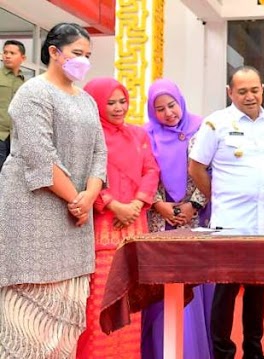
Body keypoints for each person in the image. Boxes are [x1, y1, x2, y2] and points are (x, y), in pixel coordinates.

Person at [0, 23, 106, 357]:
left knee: (65, 322)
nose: (84, 61)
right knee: (27, 328)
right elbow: (39, 156)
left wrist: (89, 195)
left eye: (88, 55)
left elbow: (99, 153)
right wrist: (77, 199)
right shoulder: (33, 93)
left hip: (76, 220)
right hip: (34, 217)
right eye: (77, 54)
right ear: (54, 53)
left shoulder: (87, 100)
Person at [189, 65, 264, 359]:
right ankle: (222, 352)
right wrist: (216, 197)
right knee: (226, 290)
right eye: (243, 91)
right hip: (231, 224)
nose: (250, 96)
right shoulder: (216, 123)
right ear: (230, 93)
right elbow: (196, 166)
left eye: (255, 89)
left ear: (263, 89)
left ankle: (254, 350)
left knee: (257, 290)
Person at [76, 77, 160, 358]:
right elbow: (82, 175)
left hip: (135, 228)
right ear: (96, 104)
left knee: (130, 308)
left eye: (122, 101)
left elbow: (151, 171)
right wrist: (113, 205)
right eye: (110, 102)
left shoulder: (139, 135)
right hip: (101, 229)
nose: (118, 107)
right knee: (98, 307)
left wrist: (136, 203)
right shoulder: (88, 137)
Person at [142, 78, 214, 359]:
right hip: (160, 221)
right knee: (163, 291)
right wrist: (160, 204)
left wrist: (193, 206)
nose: (168, 113)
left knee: (193, 289)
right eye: (159, 109)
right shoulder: (146, 134)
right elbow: (146, 171)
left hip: (196, 220)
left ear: (180, 101)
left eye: (171, 105)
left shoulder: (202, 128)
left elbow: (211, 169)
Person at [0, 39, 26, 171]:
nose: (7, 56)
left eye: (12, 53)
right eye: (5, 52)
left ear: (23, 58)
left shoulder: (25, 83)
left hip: (15, 138)